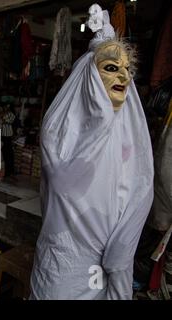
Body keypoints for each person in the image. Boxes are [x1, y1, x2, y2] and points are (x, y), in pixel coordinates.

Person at [30, 5, 154, 300]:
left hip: (105, 270)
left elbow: (139, 190)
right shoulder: (58, 128)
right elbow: (64, 185)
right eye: (111, 67)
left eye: (127, 69)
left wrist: (119, 263)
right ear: (88, 75)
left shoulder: (129, 138)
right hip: (60, 265)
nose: (123, 75)